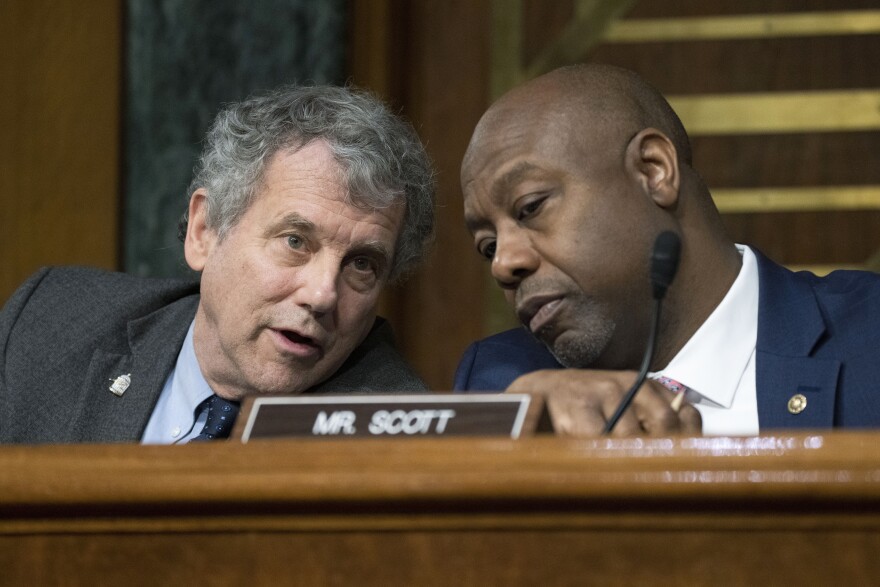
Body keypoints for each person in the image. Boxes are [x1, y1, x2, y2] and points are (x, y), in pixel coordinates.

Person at [454, 63, 880, 436]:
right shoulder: (503, 382)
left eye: (530, 207)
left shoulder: (868, 336)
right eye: (488, 246)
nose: (504, 265)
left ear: (654, 171)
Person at [0, 84, 435, 444]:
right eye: (295, 241)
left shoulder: (392, 437)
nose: (322, 294)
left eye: (362, 265)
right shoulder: (47, 325)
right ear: (204, 231)